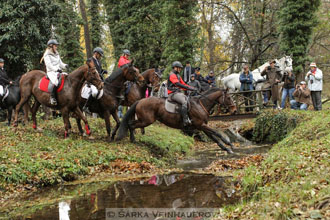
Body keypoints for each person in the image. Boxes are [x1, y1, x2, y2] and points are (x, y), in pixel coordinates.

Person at [167, 61, 197, 126]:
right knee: (184, 102)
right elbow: (177, 84)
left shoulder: (178, 75)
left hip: (178, 92)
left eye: (180, 68)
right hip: (172, 93)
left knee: (189, 100)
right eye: (179, 68)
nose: (180, 69)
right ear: (175, 68)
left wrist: (192, 88)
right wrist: (189, 88)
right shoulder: (172, 75)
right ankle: (185, 120)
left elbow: (183, 84)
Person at [42, 39, 68, 105]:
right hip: (51, 72)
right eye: (55, 46)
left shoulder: (57, 53)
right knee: (55, 82)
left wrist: (65, 66)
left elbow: (60, 63)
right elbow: (49, 65)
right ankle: (52, 97)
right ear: (51, 46)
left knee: (67, 77)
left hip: (58, 71)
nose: (56, 47)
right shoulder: (46, 54)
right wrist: (56, 69)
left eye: (56, 46)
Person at [83, 47, 107, 112]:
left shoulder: (98, 61)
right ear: (96, 53)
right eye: (100, 55)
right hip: (92, 81)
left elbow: (99, 70)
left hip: (98, 80)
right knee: (95, 92)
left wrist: (103, 71)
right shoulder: (89, 60)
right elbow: (90, 71)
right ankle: (86, 106)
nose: (100, 56)